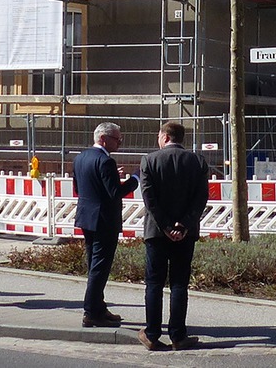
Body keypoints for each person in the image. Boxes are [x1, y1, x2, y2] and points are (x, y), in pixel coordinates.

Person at [137, 120, 210, 352]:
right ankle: (178, 335)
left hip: (156, 233)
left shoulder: (149, 160)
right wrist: (184, 225)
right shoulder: (197, 161)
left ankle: (152, 334)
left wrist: (166, 226)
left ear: (165, 137)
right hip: (185, 234)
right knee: (179, 284)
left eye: (159, 136)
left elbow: (149, 199)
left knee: (154, 283)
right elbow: (201, 199)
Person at [74, 122, 138, 327]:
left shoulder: (81, 157)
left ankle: (98, 307)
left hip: (87, 217)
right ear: (103, 138)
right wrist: (135, 178)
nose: (120, 143)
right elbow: (115, 193)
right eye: (117, 139)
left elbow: (78, 188)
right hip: (104, 220)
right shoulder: (105, 162)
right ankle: (91, 312)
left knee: (94, 263)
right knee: (100, 267)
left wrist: (111, 178)